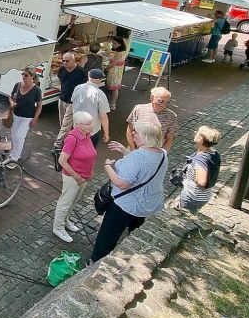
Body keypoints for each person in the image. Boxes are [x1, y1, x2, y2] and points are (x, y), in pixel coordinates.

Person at [88, 123, 168, 263]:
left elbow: (122, 184)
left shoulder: (137, 157)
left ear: (146, 137)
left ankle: (95, 262)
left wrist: (107, 166)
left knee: (108, 236)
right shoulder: (162, 154)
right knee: (136, 232)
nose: (133, 134)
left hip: (125, 206)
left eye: (136, 133)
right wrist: (125, 151)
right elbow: (144, 164)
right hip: (147, 205)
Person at [53, 111, 97, 243]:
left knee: (73, 201)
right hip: (73, 178)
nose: (91, 125)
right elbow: (62, 161)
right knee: (65, 203)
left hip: (83, 177)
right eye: (88, 124)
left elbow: (89, 155)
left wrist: (90, 170)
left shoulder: (87, 135)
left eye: (91, 122)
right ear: (78, 125)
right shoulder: (72, 138)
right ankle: (58, 227)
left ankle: (66, 221)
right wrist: (76, 176)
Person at [176, 126, 222, 212]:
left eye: (198, 132)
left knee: (183, 217)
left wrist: (194, 179)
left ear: (201, 139)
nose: (195, 132)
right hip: (204, 195)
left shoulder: (200, 160)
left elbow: (201, 182)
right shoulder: (213, 152)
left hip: (192, 196)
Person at [126, 87, 178, 151]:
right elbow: (129, 131)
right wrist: (132, 149)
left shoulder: (172, 116)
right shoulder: (138, 109)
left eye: (167, 102)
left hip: (155, 152)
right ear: (152, 97)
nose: (163, 105)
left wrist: (162, 154)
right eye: (160, 101)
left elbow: (170, 138)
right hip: (135, 149)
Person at [8, 67, 42, 162]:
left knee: (19, 137)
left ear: (32, 76)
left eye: (26, 75)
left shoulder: (36, 90)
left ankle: (14, 158)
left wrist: (35, 118)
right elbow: (10, 96)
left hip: (27, 117)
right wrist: (11, 103)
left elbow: (39, 106)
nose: (23, 76)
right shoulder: (17, 85)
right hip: (16, 115)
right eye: (22, 74)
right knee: (14, 136)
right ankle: (13, 153)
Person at [71, 69, 111, 147]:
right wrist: (106, 133)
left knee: (75, 149)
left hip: (76, 126)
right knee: (88, 152)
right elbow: (103, 116)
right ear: (100, 80)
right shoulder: (100, 94)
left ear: (88, 77)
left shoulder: (78, 87)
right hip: (91, 130)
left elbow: (72, 101)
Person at [55, 52, 87, 147]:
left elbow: (84, 87)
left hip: (73, 102)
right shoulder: (62, 69)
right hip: (62, 98)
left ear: (73, 61)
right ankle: (67, 139)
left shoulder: (81, 72)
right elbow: (61, 81)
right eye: (63, 61)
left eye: (67, 61)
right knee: (62, 122)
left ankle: (58, 144)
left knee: (66, 124)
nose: (64, 63)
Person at [105, 37, 127, 110]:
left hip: (115, 71)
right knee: (115, 87)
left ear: (120, 44)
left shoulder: (118, 53)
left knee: (114, 88)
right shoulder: (122, 51)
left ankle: (112, 104)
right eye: (112, 43)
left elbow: (113, 64)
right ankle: (112, 103)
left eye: (115, 43)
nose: (113, 44)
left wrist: (106, 67)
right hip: (118, 71)